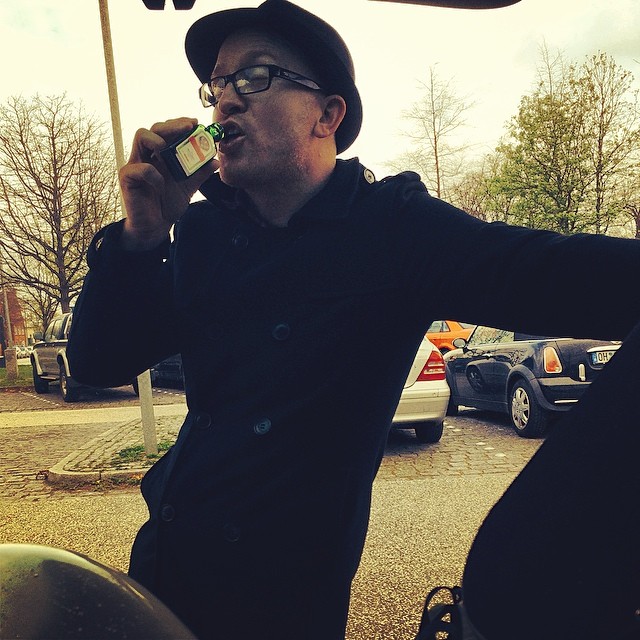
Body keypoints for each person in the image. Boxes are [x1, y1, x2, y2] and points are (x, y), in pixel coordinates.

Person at [67, 1, 640, 638]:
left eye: (254, 76)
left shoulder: (392, 228)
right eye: (218, 84)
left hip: (281, 606)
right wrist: (141, 236)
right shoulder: (204, 233)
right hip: (161, 571)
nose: (225, 100)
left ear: (328, 115)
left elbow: (564, 274)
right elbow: (96, 362)